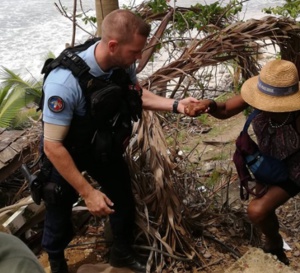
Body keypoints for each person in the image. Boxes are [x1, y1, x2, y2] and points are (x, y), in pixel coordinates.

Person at [39, 9, 199, 273]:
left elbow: (135, 94)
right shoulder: (64, 83)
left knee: (122, 196)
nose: (139, 57)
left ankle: (121, 254)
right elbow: (52, 146)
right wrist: (87, 192)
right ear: (113, 45)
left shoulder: (122, 64)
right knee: (57, 201)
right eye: (135, 52)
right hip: (65, 150)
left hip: (100, 145)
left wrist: (177, 105)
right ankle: (56, 262)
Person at [184, 59, 300, 265]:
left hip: (295, 170)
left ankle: (274, 245)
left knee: (257, 210)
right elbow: (226, 109)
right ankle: (276, 245)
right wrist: (209, 105)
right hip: (267, 162)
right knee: (264, 212)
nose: (266, 105)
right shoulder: (257, 95)